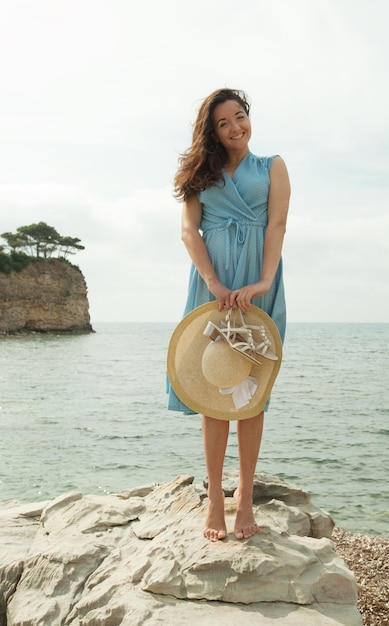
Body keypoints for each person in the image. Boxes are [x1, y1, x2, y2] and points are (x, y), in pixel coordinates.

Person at [168, 88, 290, 542]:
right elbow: (188, 230)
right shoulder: (201, 173)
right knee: (213, 385)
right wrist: (215, 283)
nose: (235, 127)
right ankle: (215, 498)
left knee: (252, 389)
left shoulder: (272, 166)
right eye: (224, 122)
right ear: (212, 130)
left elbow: (276, 224)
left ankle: (244, 498)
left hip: (260, 282)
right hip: (213, 285)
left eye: (240, 117)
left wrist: (262, 281)